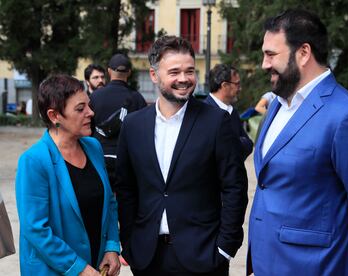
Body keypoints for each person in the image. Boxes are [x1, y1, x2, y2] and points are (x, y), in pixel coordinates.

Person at [248, 9, 348, 276]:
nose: (264, 64)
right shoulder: (278, 106)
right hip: (266, 262)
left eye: (271, 54)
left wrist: (339, 249)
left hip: (318, 266)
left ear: (304, 53)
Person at [115, 35, 248, 275]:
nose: (184, 79)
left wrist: (225, 247)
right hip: (147, 257)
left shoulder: (217, 122)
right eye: (174, 72)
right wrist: (129, 242)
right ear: (154, 75)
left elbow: (234, 186)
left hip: (204, 256)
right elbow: (126, 188)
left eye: (190, 71)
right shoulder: (133, 125)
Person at [15, 74, 120, 276]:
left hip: (96, 265)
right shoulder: (34, 161)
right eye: (80, 109)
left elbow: (110, 203)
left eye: (89, 105)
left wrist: (112, 247)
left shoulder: (93, 147)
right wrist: (78, 268)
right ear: (55, 116)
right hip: (53, 270)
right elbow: (35, 229)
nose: (91, 113)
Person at [90, 53, 146, 188]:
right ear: (129, 72)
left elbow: (87, 127)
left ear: (109, 71)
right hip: (127, 159)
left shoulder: (95, 96)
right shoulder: (137, 98)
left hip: (98, 156)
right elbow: (144, 133)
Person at [205, 64, 253, 160]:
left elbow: (248, 144)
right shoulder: (204, 112)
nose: (240, 88)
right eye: (237, 84)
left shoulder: (232, 112)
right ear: (225, 86)